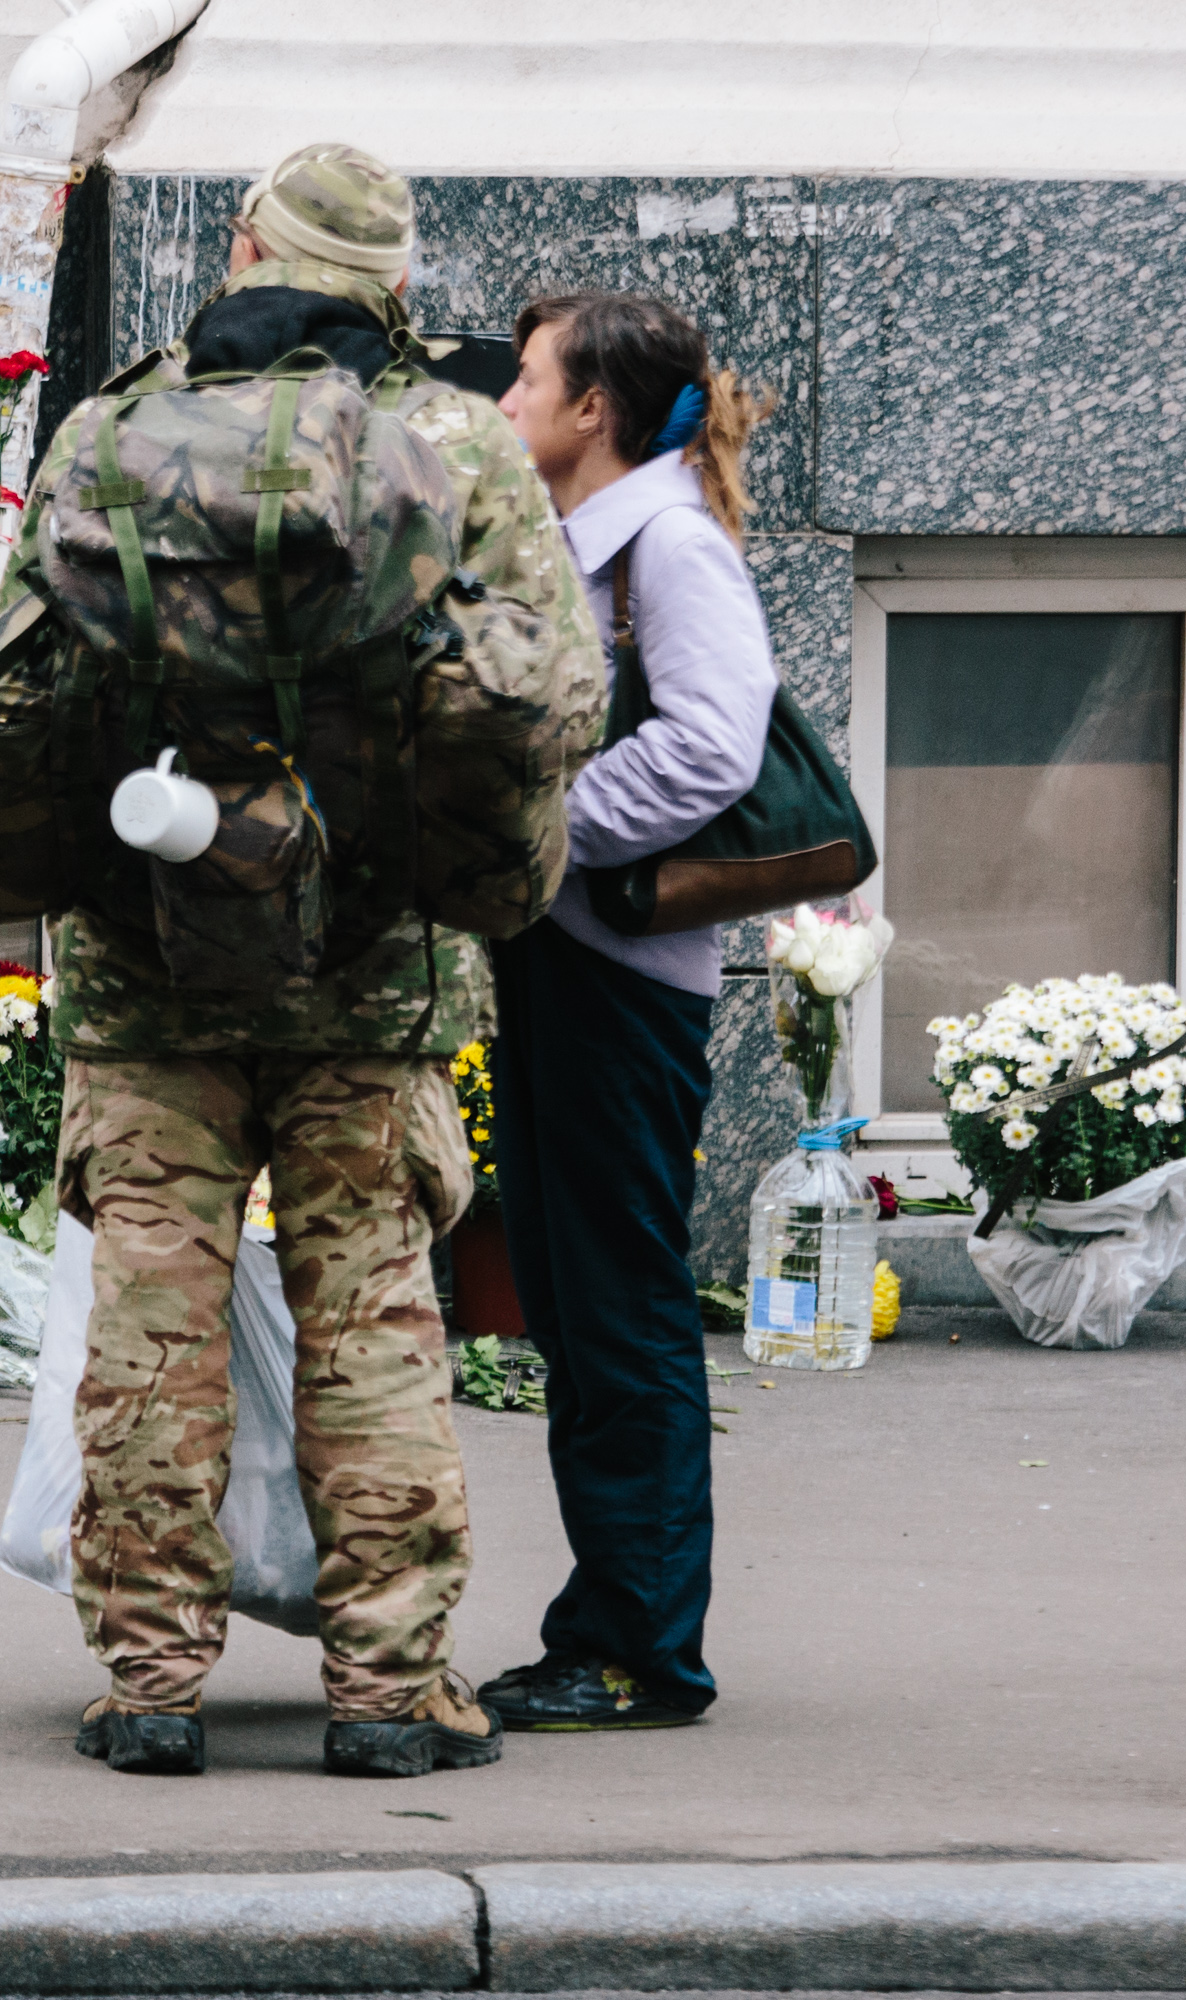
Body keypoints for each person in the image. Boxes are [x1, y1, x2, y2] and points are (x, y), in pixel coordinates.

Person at [25, 142, 606, 1779]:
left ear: (240, 250)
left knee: (153, 1319)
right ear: (400, 287)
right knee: (372, 1316)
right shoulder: (458, 439)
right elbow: (557, 698)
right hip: (379, 964)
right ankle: (392, 1693)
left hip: (146, 970)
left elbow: (23, 687)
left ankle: (149, 1683)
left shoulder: (114, 429)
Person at [471, 293, 777, 1733]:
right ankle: (610, 1621)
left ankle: (644, 1649)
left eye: (531, 377)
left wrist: (546, 828)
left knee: (623, 1312)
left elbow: (715, 741)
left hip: (624, 975)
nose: (510, 397)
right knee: (582, 1312)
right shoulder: (596, 537)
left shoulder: (669, 545)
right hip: (568, 958)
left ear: (593, 408)